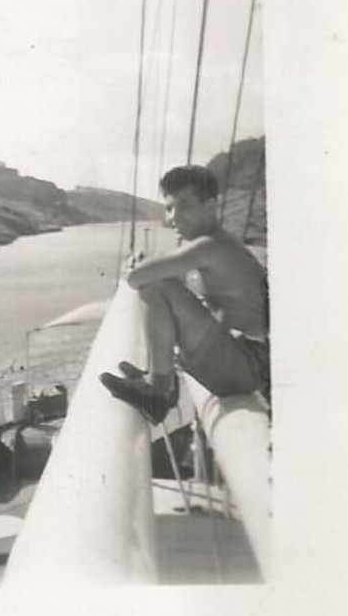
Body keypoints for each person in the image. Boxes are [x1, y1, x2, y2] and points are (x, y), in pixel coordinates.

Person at [99, 165, 269, 424]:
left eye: (185, 206)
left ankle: (159, 390)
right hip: (246, 361)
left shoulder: (209, 247)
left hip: (244, 366)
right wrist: (148, 266)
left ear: (211, 206)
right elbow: (175, 277)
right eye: (169, 208)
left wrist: (135, 267)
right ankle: (159, 378)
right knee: (160, 281)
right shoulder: (215, 244)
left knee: (155, 286)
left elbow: (137, 278)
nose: (173, 217)